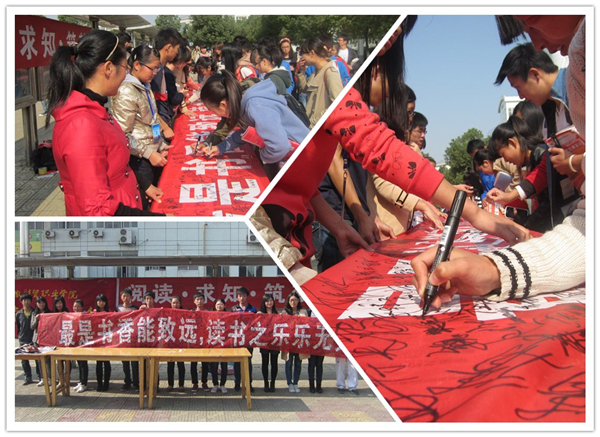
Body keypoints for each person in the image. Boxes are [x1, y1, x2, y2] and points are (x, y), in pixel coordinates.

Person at [254, 17, 529, 286]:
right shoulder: (335, 88)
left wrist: (341, 227)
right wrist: (475, 214)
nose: (394, 36)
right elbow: (381, 151)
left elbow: (306, 185)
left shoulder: (332, 81)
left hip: (297, 234)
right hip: (280, 238)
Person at [412, 15, 586, 307]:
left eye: (534, 21)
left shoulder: (575, 84)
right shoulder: (552, 112)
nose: (537, 42)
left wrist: (574, 163)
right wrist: (495, 270)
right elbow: (584, 234)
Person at [45, 29, 165, 216]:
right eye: (125, 68)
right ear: (108, 68)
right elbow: (97, 210)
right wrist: (157, 220)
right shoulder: (80, 126)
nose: (126, 75)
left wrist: (143, 184)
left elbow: (116, 165)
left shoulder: (96, 110)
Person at [199, 70, 309, 180]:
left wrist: (262, 156)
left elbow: (279, 146)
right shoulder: (243, 105)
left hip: (303, 157)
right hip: (289, 156)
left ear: (223, 104)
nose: (215, 114)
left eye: (212, 110)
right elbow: (247, 133)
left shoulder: (255, 106)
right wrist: (220, 147)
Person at [485, 116, 567, 233]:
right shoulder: (532, 160)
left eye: (503, 155)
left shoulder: (540, 154)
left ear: (512, 143)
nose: (506, 160)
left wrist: (527, 223)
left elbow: (550, 203)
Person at [112, 44, 170, 196]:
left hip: (152, 152)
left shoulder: (145, 86)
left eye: (157, 69)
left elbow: (152, 120)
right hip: (139, 158)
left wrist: (160, 144)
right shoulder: (126, 90)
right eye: (152, 68)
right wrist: (149, 153)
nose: (155, 73)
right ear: (137, 65)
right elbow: (122, 134)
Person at [296, 36, 344, 128]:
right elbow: (305, 89)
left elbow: (338, 105)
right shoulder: (316, 72)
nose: (302, 58)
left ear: (311, 53)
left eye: (303, 54)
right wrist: (301, 72)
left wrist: (316, 121)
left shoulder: (330, 73)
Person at [151, 28, 184, 141]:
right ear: (168, 47)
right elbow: (149, 106)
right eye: (177, 49)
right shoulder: (156, 70)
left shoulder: (161, 68)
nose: (177, 53)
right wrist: (164, 128)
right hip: (159, 126)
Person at [230, 287, 257, 392]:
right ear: (237, 297)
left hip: (248, 340)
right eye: (240, 296)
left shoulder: (253, 309)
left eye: (244, 296)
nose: (242, 298)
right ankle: (237, 383)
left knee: (248, 362)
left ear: (247, 296)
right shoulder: (233, 309)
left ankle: (249, 384)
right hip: (237, 339)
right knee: (237, 363)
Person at [283, 291, 308, 393]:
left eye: (295, 300)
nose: (293, 302)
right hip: (288, 342)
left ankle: (296, 382)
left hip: (299, 341)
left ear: (298, 301)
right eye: (291, 300)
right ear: (288, 301)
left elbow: (305, 321)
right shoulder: (285, 312)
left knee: (298, 362)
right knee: (289, 362)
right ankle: (289, 383)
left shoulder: (303, 311)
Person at [116, 287, 139, 390]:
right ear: (121, 297)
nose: (126, 298)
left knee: (135, 362)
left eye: (128, 296)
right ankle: (127, 381)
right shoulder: (118, 308)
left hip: (133, 338)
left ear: (131, 297)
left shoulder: (135, 308)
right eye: (124, 296)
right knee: (125, 362)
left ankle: (136, 382)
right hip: (123, 338)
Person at [257, 294, 280, 392]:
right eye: (267, 301)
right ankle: (266, 383)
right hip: (264, 342)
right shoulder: (260, 313)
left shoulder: (277, 313)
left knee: (274, 363)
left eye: (271, 300)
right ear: (264, 302)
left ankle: (273, 383)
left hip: (275, 341)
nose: (269, 303)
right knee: (265, 363)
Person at [190, 292, 210, 391]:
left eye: (201, 299)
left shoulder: (208, 312)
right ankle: (194, 383)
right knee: (193, 363)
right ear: (194, 301)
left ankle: (204, 382)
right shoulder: (191, 313)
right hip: (194, 341)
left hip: (205, 341)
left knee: (205, 363)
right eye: (197, 299)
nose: (199, 301)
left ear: (204, 301)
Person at [167, 296, 186, 392]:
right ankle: (170, 384)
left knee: (181, 364)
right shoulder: (167, 313)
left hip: (180, 342)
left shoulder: (184, 313)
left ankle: (181, 385)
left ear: (180, 304)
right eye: (173, 303)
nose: (175, 304)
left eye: (177, 303)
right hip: (170, 342)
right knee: (170, 364)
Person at [16, 294, 37, 385]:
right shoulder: (18, 314)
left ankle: (41, 376)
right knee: (24, 360)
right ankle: (28, 377)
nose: (26, 302)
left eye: (28, 300)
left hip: (33, 338)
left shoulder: (34, 312)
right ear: (21, 302)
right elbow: (18, 326)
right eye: (24, 300)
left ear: (31, 301)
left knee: (37, 359)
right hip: (23, 339)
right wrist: (20, 336)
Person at [210, 299, 229, 394]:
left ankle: (222, 384)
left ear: (224, 306)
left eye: (221, 304)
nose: (219, 306)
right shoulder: (211, 315)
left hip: (224, 344)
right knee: (214, 365)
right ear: (215, 306)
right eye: (217, 304)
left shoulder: (228, 315)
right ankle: (215, 384)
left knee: (224, 365)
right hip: (214, 344)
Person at [30, 296, 50, 386]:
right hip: (37, 339)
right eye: (39, 302)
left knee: (48, 360)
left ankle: (50, 377)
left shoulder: (49, 312)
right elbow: (32, 326)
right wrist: (36, 319)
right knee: (39, 360)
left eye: (43, 302)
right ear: (36, 304)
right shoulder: (34, 313)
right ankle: (42, 378)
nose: (41, 304)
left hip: (47, 339)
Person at [94, 294, 112, 391]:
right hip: (97, 342)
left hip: (107, 341)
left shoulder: (110, 312)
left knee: (107, 362)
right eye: (99, 301)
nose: (101, 303)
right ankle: (99, 384)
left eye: (103, 301)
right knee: (98, 363)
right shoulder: (93, 313)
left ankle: (106, 384)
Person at [72, 299, 89, 393]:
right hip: (76, 343)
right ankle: (80, 381)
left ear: (82, 307)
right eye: (75, 306)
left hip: (83, 342)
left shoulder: (85, 315)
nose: (76, 308)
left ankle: (84, 383)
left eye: (78, 306)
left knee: (83, 363)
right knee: (79, 363)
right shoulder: (72, 315)